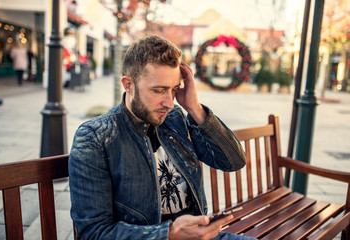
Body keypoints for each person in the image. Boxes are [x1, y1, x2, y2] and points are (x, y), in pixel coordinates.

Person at [69, 35, 254, 240]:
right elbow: (93, 232)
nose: (169, 102)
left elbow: (233, 161)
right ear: (128, 85)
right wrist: (169, 234)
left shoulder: (174, 118)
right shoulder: (96, 137)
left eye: (174, 90)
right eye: (159, 90)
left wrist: (194, 107)